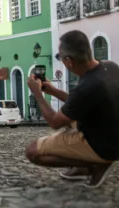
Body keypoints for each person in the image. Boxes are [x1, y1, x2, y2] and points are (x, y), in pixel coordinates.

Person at [26, 30, 119, 189]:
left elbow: (55, 122)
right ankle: (91, 163)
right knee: (70, 120)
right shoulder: (111, 67)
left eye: (60, 58)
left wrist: (38, 95)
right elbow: (81, 102)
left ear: (69, 61)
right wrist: (53, 91)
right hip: (113, 137)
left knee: (32, 151)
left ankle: (93, 164)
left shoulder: (87, 86)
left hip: (103, 147)